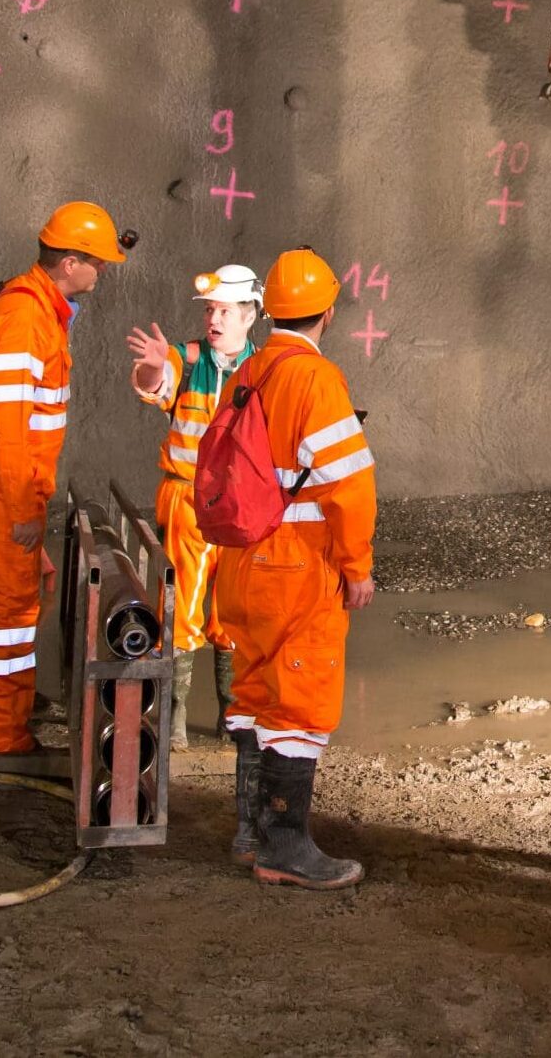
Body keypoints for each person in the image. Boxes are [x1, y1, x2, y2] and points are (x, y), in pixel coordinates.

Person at [218, 248, 378, 891]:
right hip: (295, 567)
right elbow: (349, 485)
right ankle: (286, 848)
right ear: (328, 312)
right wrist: (356, 564)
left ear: (272, 310)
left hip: (241, 560)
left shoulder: (248, 370)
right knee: (300, 702)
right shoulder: (315, 379)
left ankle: (251, 832)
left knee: (256, 692)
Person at [0, 200, 123, 755]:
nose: (103, 272)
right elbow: (6, 427)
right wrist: (25, 510)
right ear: (70, 263)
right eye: (98, 262)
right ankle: (1, 733)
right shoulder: (25, 319)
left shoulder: (37, 310)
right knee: (9, 612)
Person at [127, 264, 261, 750]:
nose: (214, 319)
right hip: (187, 497)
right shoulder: (186, 358)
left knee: (233, 611)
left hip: (241, 504)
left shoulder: (261, 368)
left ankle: (232, 712)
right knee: (182, 605)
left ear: (250, 316)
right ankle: (177, 713)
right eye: (210, 310)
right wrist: (154, 365)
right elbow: (153, 385)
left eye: (225, 310)